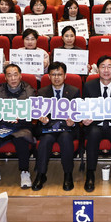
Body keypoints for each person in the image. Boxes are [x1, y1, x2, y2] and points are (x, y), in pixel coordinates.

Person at [0, 63, 36, 189]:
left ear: (20, 76)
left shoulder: (29, 90)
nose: (13, 78)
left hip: (21, 126)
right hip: (3, 125)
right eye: (9, 75)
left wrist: (21, 116)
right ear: (5, 77)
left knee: (21, 139)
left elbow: (33, 111)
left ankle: (24, 171)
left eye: (15, 75)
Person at [82, 55, 111, 192]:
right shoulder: (89, 85)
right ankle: (90, 173)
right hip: (95, 124)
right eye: (103, 67)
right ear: (98, 69)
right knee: (93, 133)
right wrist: (84, 119)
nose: (106, 70)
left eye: (109, 67)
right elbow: (83, 107)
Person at [34, 61, 80, 191]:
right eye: (53, 74)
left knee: (66, 138)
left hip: (67, 128)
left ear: (65, 76)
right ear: (48, 76)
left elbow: (78, 112)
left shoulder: (74, 91)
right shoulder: (42, 92)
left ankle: (68, 174)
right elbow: (39, 113)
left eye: (59, 74)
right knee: (45, 140)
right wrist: (42, 120)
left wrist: (74, 121)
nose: (56, 77)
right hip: (49, 128)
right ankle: (41, 174)